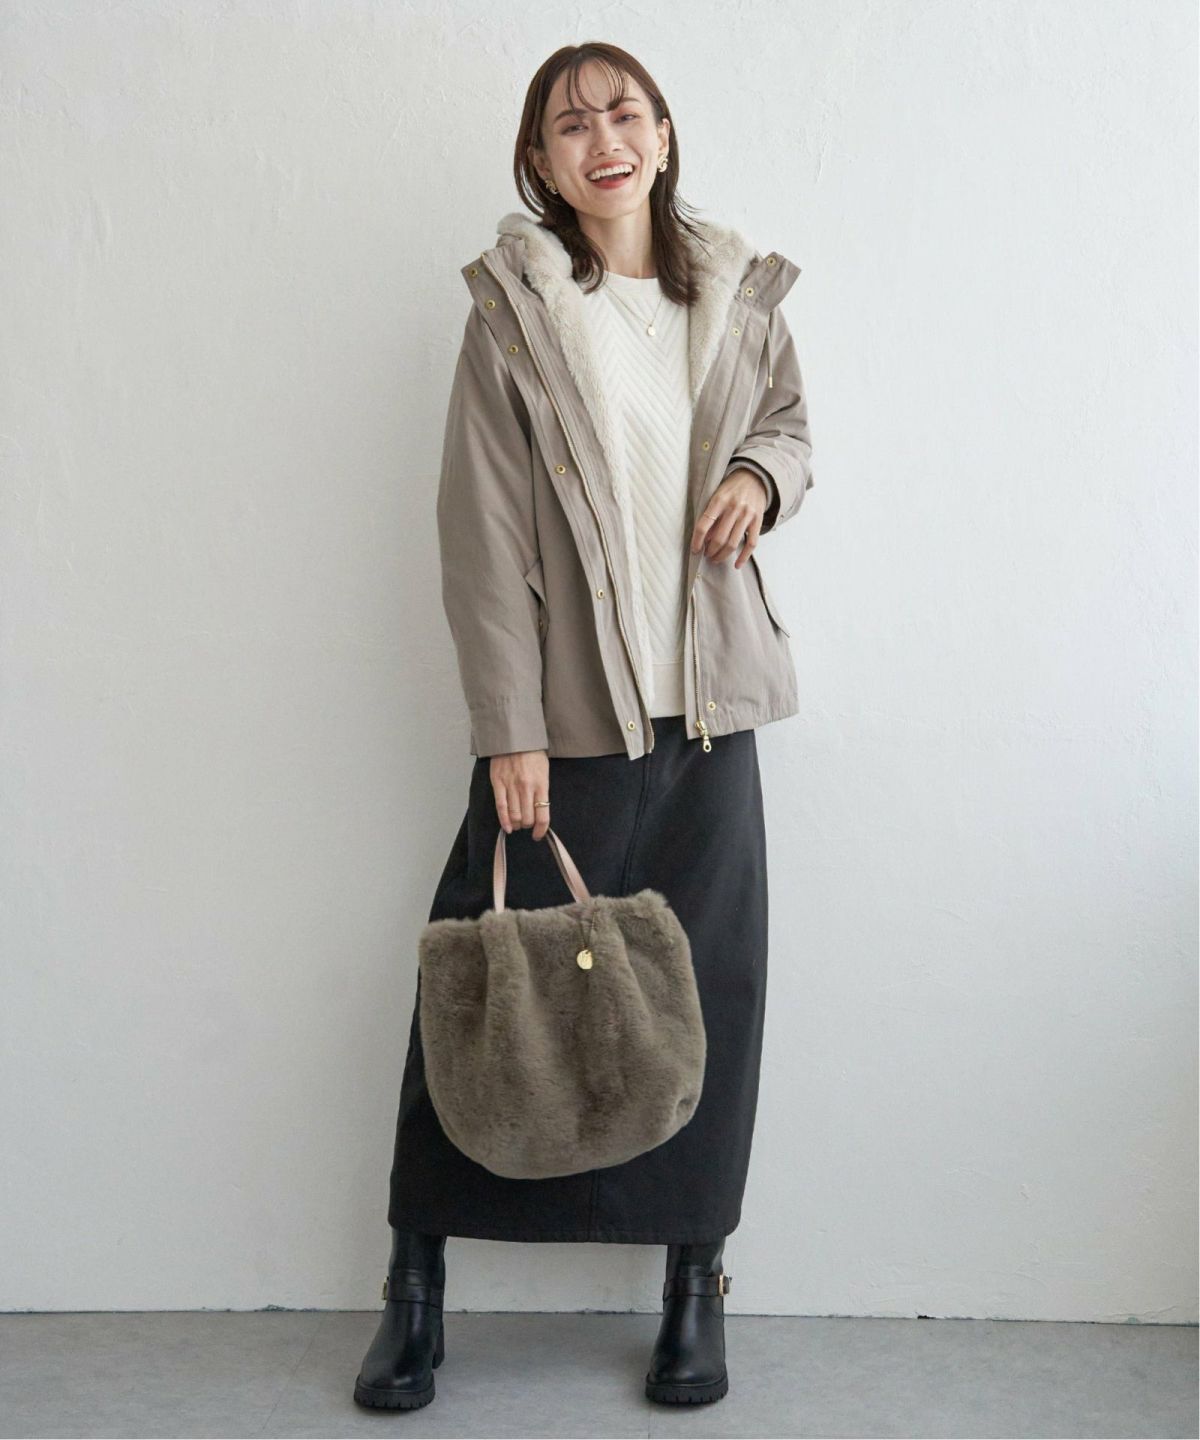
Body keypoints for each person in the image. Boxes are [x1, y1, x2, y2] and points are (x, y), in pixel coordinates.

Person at [354, 40, 815, 1412]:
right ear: (541, 163)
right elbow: (482, 537)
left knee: (712, 998)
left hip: (712, 713)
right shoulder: (517, 314)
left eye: (624, 112)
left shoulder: (737, 296)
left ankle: (696, 1286)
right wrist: (511, 728)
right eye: (570, 125)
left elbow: (791, 425)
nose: (602, 139)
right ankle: (415, 1290)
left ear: (662, 132)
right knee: (487, 979)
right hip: (567, 719)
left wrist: (759, 476)